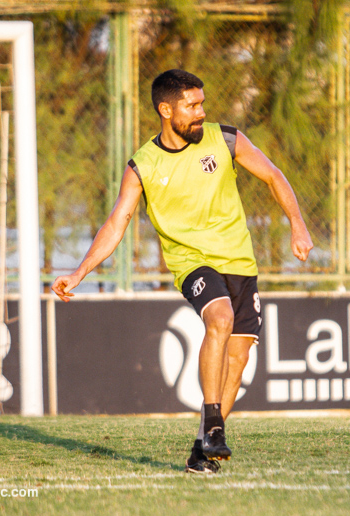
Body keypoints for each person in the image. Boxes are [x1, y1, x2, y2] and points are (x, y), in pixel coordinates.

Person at [51, 69, 314, 474]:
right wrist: (81, 271)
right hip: (193, 262)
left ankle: (202, 450)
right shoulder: (144, 164)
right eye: (192, 106)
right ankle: (212, 422)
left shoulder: (225, 138)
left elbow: (273, 175)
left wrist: (297, 222)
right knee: (220, 317)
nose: (200, 112)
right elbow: (116, 222)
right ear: (165, 109)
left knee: (239, 356)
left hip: (240, 260)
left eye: (202, 103)